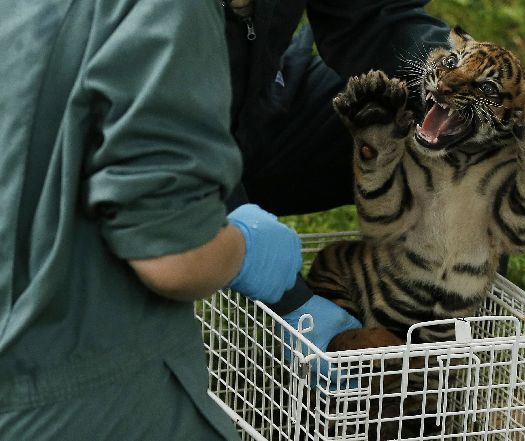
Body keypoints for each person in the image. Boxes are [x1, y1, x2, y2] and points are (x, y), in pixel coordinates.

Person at [0, 0, 450, 440]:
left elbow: (373, 13)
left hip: (257, 97)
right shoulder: (163, 18)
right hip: (47, 354)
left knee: (453, 153)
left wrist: (456, 79)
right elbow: (171, 243)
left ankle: (413, 404)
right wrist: (268, 273)